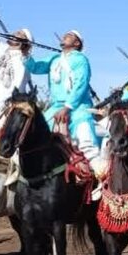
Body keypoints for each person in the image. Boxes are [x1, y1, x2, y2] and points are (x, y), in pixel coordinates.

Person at [25, 29, 105, 176]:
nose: (65, 36)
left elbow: (81, 84)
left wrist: (67, 107)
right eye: (65, 35)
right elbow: (35, 67)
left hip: (79, 106)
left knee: (86, 140)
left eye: (70, 36)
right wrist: (25, 52)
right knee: (34, 133)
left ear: (77, 43)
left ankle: (102, 178)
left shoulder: (81, 59)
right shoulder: (54, 59)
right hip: (55, 107)